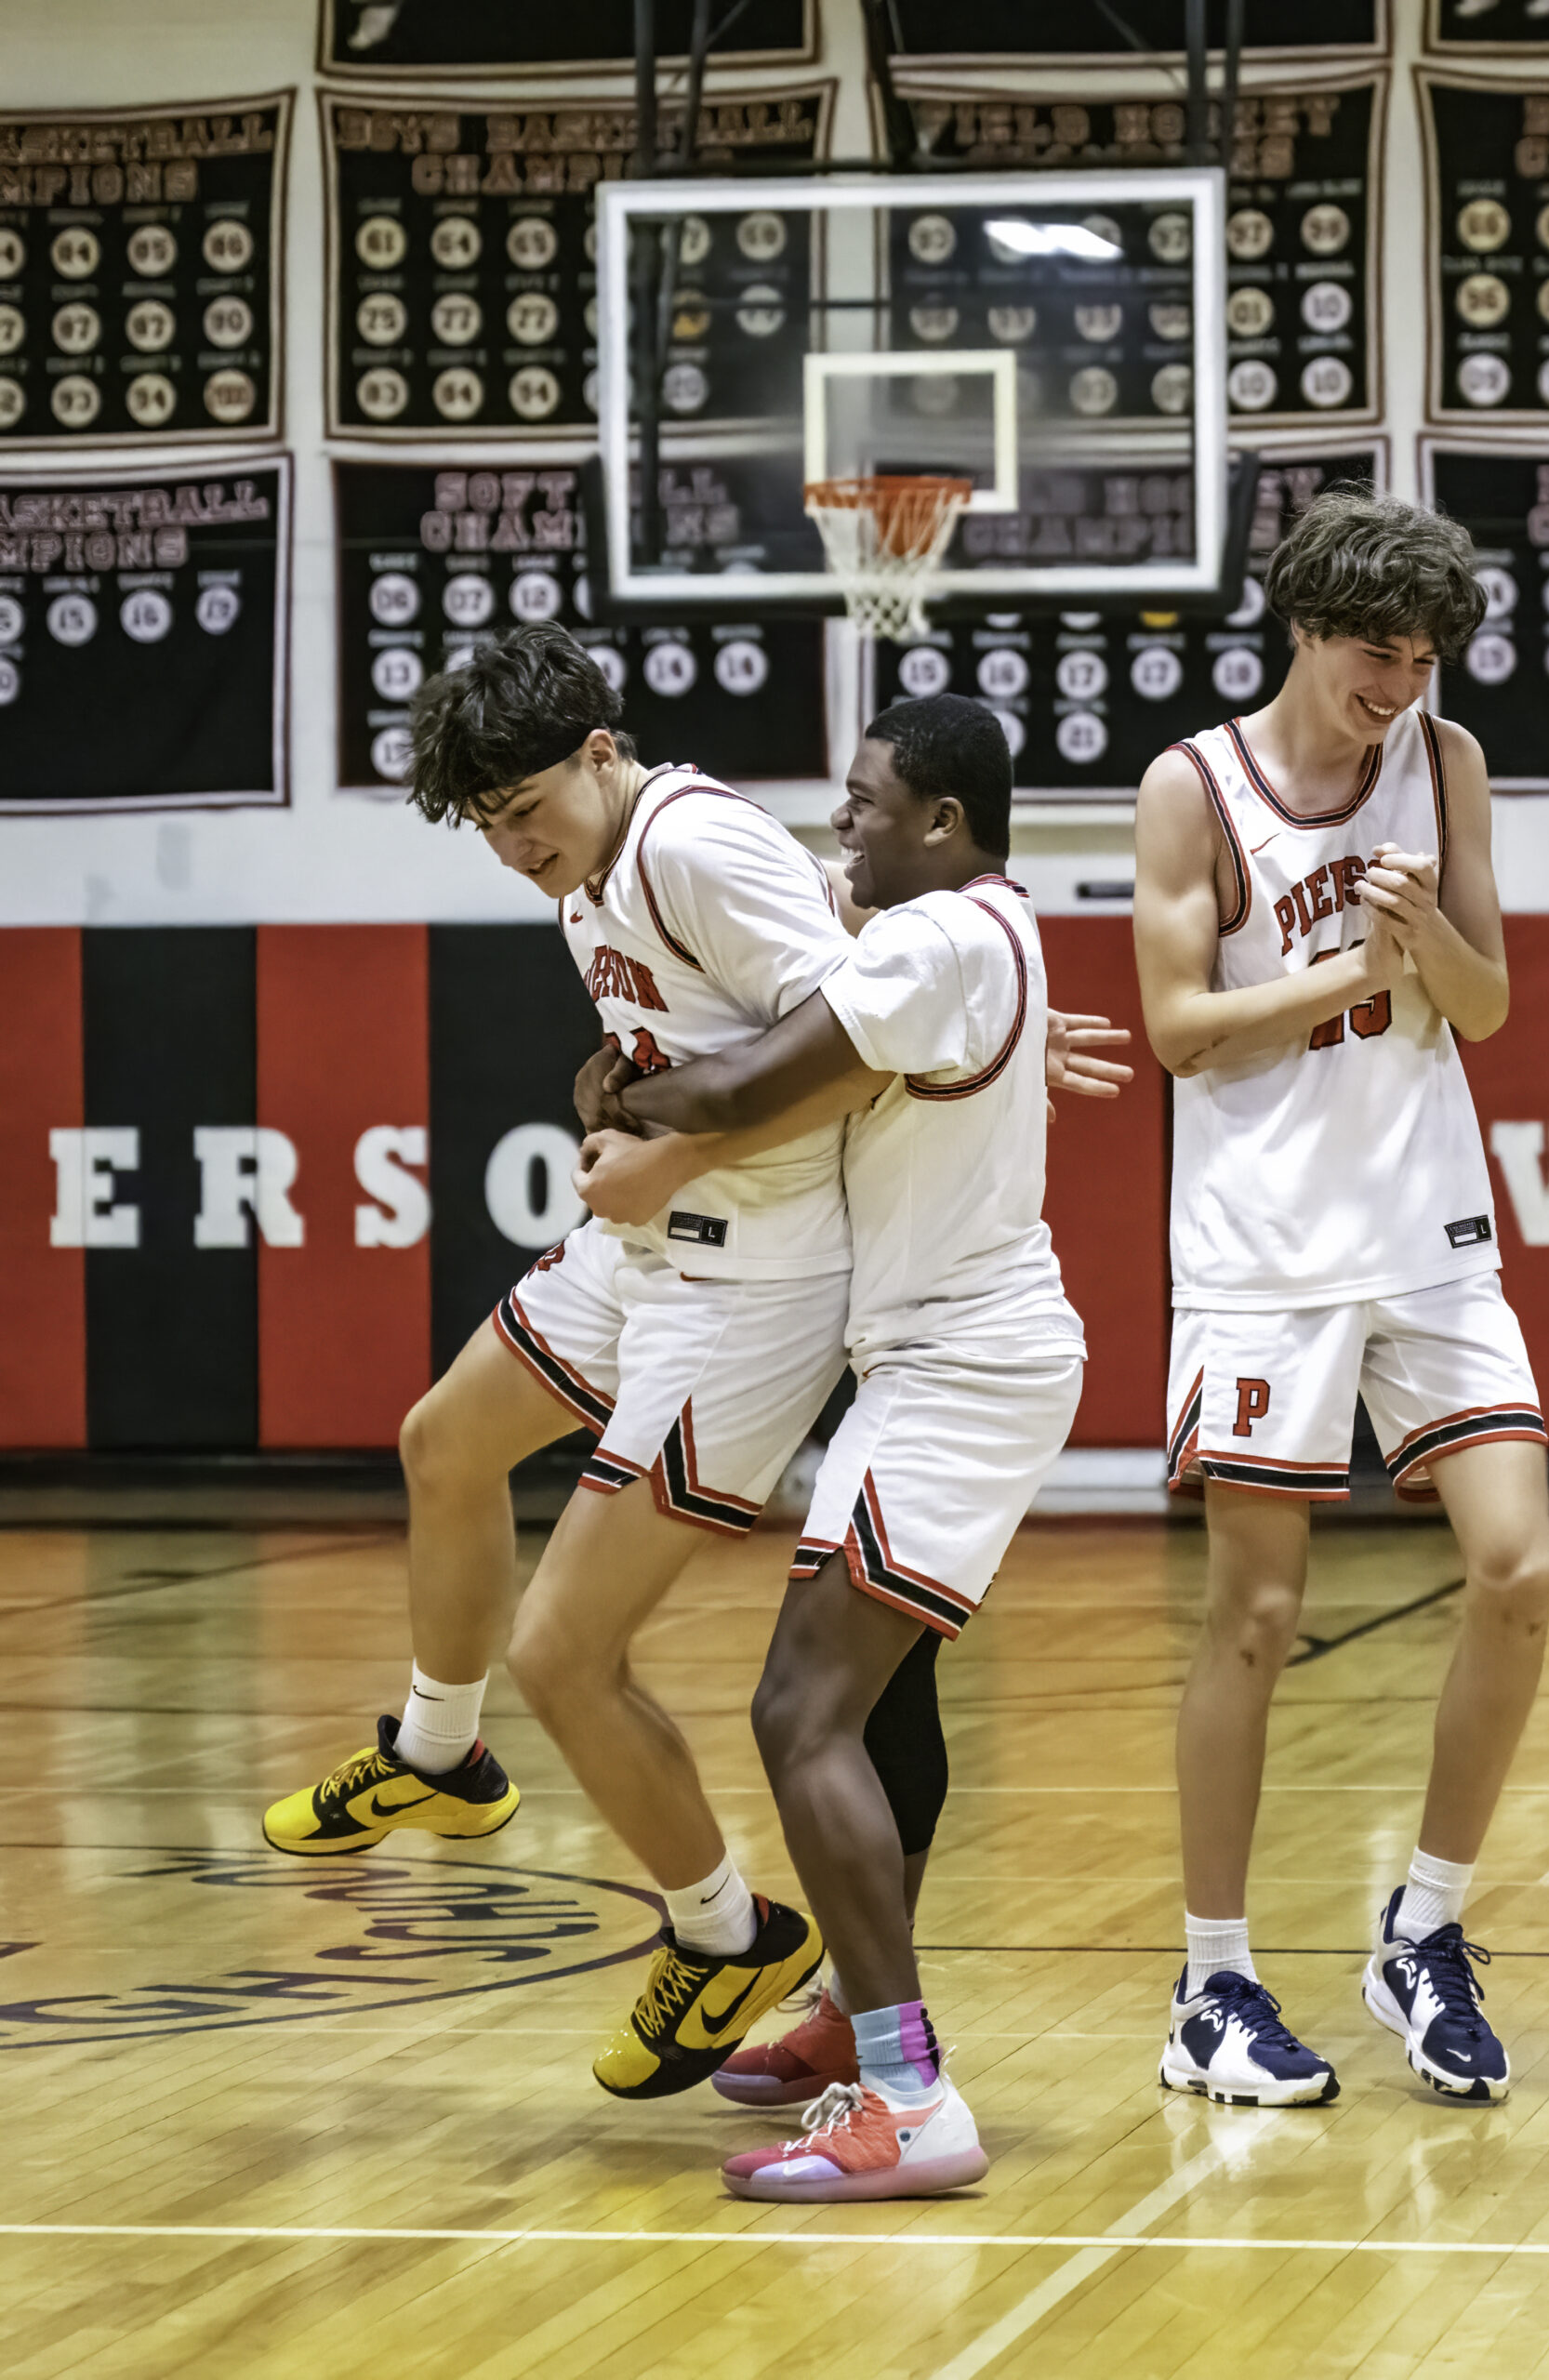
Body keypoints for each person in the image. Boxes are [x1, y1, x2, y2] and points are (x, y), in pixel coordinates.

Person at [263, 624, 864, 2099]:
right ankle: (441, 1752)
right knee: (442, 1443)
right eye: (485, 828)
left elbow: (869, 1044)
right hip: (660, 1239)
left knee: (563, 1652)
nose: (511, 846)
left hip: (756, 1282)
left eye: (525, 810)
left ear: (604, 751)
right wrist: (620, 1095)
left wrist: (672, 1158)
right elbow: (690, 1042)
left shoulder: (695, 846)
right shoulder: (587, 870)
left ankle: (727, 1936)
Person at [573, 693, 1120, 2200]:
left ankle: (911, 2096)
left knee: (797, 1708)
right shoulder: (967, 928)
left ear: (943, 822)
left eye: (867, 804)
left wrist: (633, 1091)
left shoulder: (940, 941)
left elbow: (752, 1083)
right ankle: (845, 2029)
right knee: (876, 1709)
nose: (842, 825)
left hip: (964, 1365)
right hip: (934, 1361)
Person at [1132, 488, 1549, 2109]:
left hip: (1428, 1228)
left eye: (1427, 656)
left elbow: (1494, 1004)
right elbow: (1178, 1027)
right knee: (1254, 1613)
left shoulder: (1444, 766)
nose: (1403, 683)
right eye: (1379, 654)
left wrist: (1430, 940)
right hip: (1260, 1252)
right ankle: (1213, 1980)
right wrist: (1348, 971)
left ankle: (1424, 1929)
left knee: (1521, 1569)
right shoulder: (1192, 789)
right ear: (1307, 626)